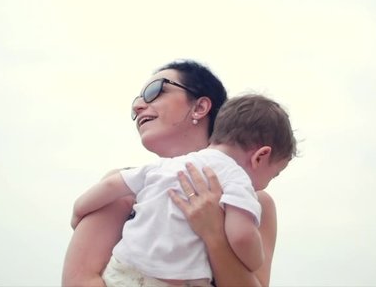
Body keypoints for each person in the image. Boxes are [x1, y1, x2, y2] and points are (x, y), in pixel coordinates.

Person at [62, 59, 282, 287]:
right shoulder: (120, 188)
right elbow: (79, 280)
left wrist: (214, 233)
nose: (138, 106)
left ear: (200, 107)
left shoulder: (256, 202)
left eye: (154, 91)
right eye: (136, 100)